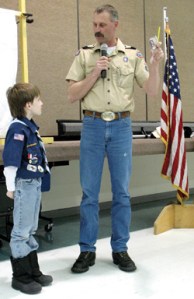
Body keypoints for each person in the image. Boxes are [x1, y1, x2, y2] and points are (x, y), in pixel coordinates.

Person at [66, 4, 164, 274]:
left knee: (122, 192)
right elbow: (72, 94)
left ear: (115, 25)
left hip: (121, 127)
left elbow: (152, 90)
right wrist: (94, 72)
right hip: (93, 125)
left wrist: (155, 64)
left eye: (102, 25)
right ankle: (87, 250)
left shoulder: (132, 55)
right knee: (89, 193)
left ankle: (120, 248)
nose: (96, 30)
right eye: (94, 25)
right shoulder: (86, 55)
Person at [2, 83, 53, 294]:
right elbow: (11, 162)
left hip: (34, 183)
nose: (42, 103)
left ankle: (32, 270)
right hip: (24, 184)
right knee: (21, 231)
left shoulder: (30, 127)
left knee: (31, 228)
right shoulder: (17, 129)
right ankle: (20, 276)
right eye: (39, 99)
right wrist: (11, 186)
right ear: (28, 104)